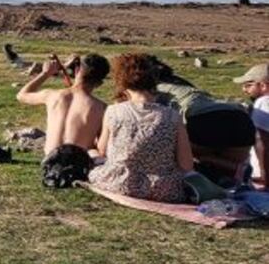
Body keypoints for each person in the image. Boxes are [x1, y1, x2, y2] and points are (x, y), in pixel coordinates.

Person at [88, 54, 194, 203]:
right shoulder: (173, 116)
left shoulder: (113, 111)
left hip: (119, 183)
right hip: (163, 189)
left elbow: (102, 151)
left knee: (91, 153)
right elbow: (186, 165)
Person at [150, 57, 255, 185]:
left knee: (180, 152)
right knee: (230, 169)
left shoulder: (154, 89)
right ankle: (236, 170)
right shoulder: (180, 82)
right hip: (240, 119)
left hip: (203, 120)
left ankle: (207, 165)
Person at [16, 54, 110, 156]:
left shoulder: (53, 95)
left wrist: (45, 73)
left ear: (76, 70)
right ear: (99, 83)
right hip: (78, 163)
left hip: (51, 160)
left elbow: (22, 95)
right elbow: (102, 147)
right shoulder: (102, 108)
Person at [235, 63, 269, 188]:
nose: (244, 90)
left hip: (262, 177)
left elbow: (262, 141)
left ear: (264, 85)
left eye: (249, 85)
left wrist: (265, 176)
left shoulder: (264, 102)